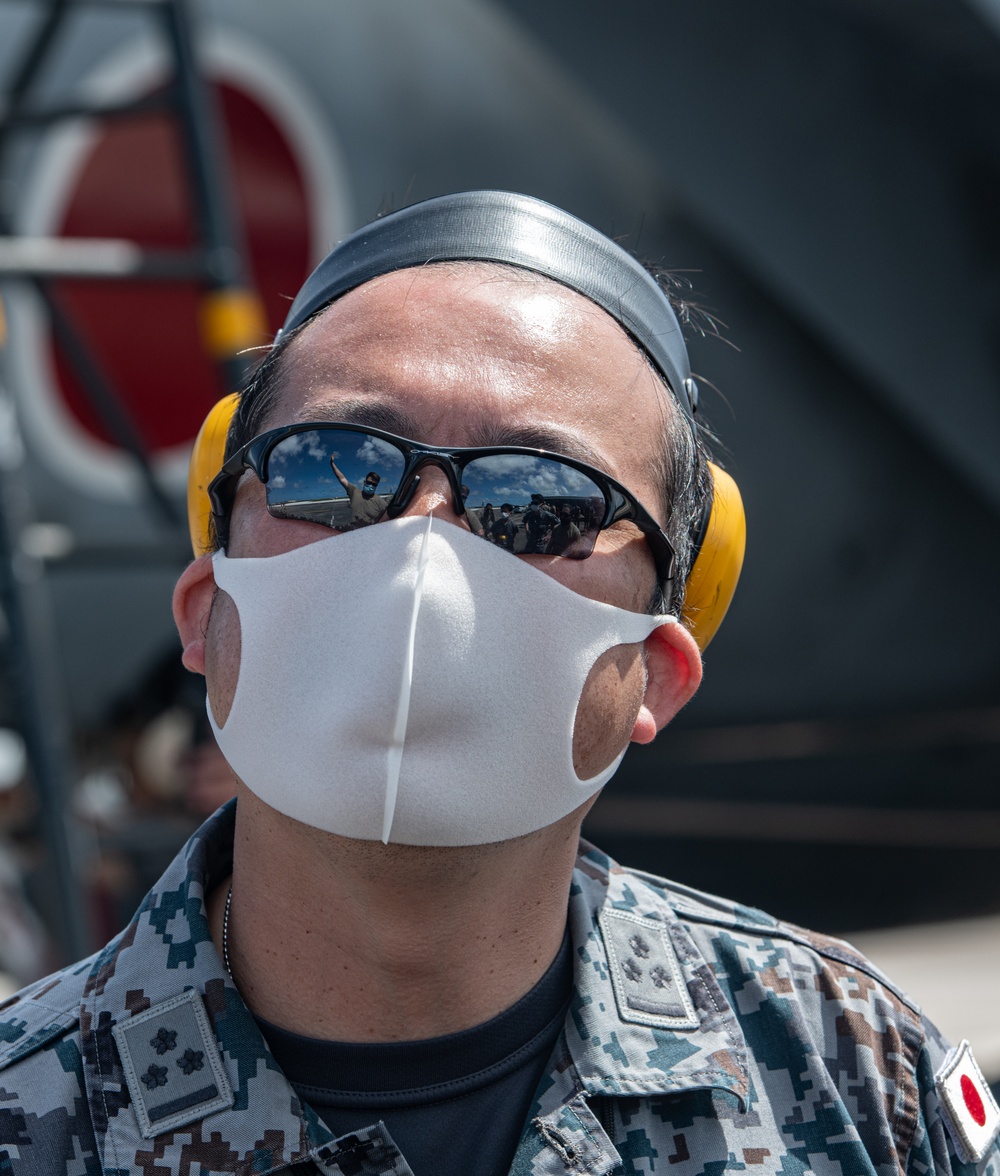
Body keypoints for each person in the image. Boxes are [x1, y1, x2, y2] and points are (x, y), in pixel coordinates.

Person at [1, 192, 996, 1176]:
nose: (420, 544)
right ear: (206, 612)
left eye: (539, 500)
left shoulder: (859, 1083)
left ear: (658, 671)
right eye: (334, 467)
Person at [328, 458, 387, 526]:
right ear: (364, 483)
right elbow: (342, 479)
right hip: (352, 531)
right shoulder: (354, 492)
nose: (371, 485)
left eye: (374, 484)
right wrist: (332, 464)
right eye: (369, 482)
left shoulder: (381, 503)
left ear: (376, 486)